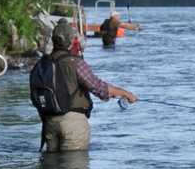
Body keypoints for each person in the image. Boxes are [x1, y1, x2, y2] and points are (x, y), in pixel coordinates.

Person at [38, 19, 137, 151]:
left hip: (49, 123)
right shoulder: (76, 63)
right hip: (73, 124)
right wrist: (125, 94)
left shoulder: (42, 64)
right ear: (71, 40)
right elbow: (98, 88)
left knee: (53, 168)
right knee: (74, 167)